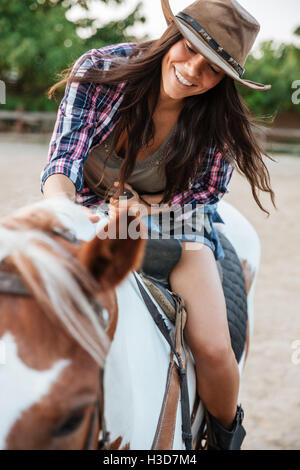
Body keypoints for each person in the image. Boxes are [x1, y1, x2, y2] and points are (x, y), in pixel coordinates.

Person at [42, 0, 276, 450]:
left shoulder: (217, 119)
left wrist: (141, 212)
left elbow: (204, 193)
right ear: (172, 36)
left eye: (212, 70)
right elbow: (63, 159)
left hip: (175, 223)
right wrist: (65, 213)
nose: (192, 71)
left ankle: (225, 439)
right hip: (87, 209)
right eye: (188, 49)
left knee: (211, 348)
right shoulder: (102, 69)